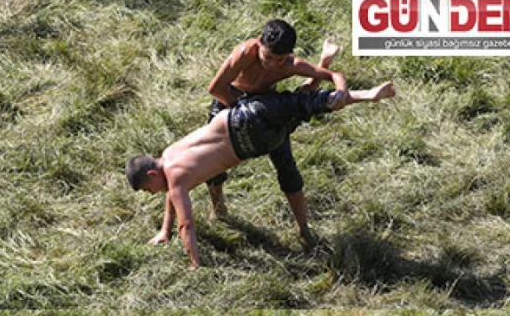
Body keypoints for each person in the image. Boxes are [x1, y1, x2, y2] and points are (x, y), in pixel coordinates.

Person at [125, 81, 395, 268]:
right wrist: (164, 230)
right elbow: (170, 194)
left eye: (150, 189)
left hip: (251, 139)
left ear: (151, 173)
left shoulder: (174, 181)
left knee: (296, 112)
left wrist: (195, 263)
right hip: (243, 112)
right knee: (300, 103)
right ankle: (362, 93)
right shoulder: (169, 153)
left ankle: (342, 85)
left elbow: (186, 224)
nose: (155, 193)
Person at [206, 21, 342, 245]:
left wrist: (341, 90)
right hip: (229, 98)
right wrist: (240, 111)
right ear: (260, 44)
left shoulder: (288, 63)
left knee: (286, 163)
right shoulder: (244, 53)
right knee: (211, 158)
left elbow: (330, 77)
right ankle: (218, 206)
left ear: (288, 55)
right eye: (267, 57)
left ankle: (303, 228)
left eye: (279, 60)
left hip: (265, 102)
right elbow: (215, 88)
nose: (271, 64)